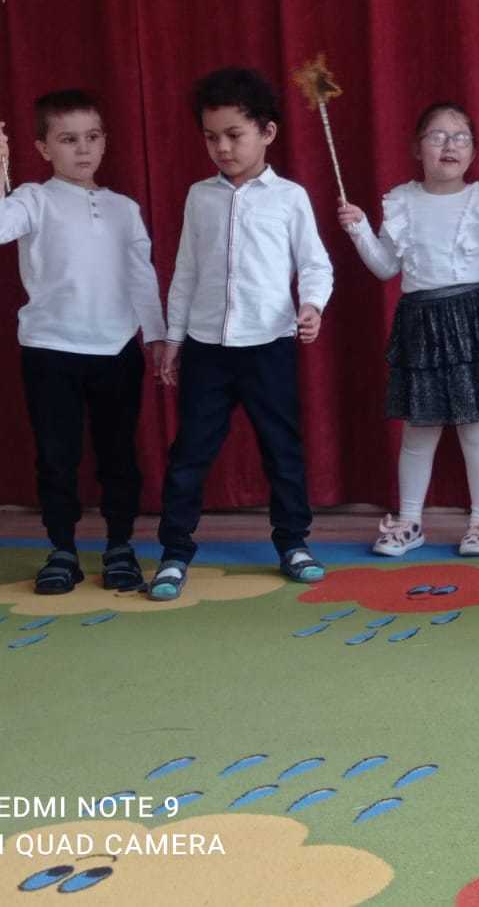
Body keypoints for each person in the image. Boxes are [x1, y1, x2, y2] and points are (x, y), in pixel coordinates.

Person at [0, 91, 165, 594]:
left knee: (118, 456)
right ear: (43, 148)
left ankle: (120, 546)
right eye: (68, 139)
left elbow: (141, 275)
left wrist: (157, 336)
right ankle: (62, 550)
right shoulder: (32, 199)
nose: (83, 148)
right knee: (56, 457)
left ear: (104, 141)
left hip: (116, 350)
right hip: (50, 350)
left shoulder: (125, 209)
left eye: (92, 137)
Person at [152, 68, 333, 599]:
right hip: (207, 347)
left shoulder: (290, 197)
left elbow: (315, 264)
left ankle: (293, 543)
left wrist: (312, 305)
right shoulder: (199, 197)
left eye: (234, 134)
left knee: (282, 449)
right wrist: (174, 338)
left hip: (269, 344)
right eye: (212, 137)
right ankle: (174, 551)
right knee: (190, 452)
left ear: (267, 132)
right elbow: (186, 271)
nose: (223, 148)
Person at [339, 102, 479, 558]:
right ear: (417, 148)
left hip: (475, 321)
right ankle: (409, 522)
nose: (449, 145)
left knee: (476, 427)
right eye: (437, 136)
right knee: (419, 429)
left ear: (473, 151)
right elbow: (385, 267)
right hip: (421, 323)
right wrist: (359, 230)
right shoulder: (401, 201)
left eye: (460, 137)